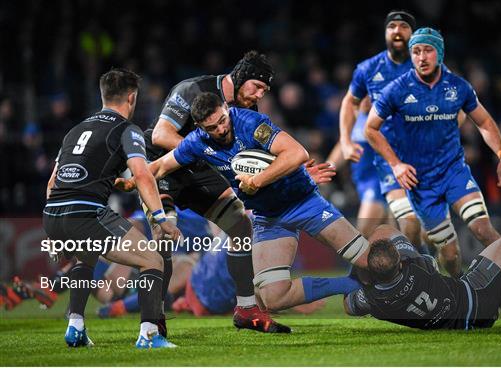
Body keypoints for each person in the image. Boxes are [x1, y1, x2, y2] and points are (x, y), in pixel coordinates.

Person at [117, 92, 370, 314]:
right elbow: (162, 165)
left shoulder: (250, 123)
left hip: (301, 201)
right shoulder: (198, 142)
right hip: (267, 217)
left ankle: (399, 277)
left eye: (222, 120)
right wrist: (134, 181)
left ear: (226, 110)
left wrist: (257, 180)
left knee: (366, 260)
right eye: (212, 127)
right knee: (273, 296)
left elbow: (298, 153)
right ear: (199, 127)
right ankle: (350, 285)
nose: (221, 129)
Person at [143, 50, 334, 334]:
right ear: (241, 78)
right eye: (257, 87)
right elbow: (161, 135)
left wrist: (298, 175)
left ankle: (245, 309)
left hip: (201, 172)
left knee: (241, 228)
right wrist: (207, 153)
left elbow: (257, 166)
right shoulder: (193, 89)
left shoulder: (245, 115)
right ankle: (153, 318)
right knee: (164, 233)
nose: (260, 95)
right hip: (164, 168)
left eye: (265, 90)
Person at [364, 27, 501, 299]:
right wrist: (396, 164)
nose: (421, 57)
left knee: (483, 228)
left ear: (440, 54)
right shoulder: (396, 90)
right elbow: (371, 129)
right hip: (421, 184)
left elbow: (485, 122)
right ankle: (460, 291)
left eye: (428, 50)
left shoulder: (458, 87)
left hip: (454, 172)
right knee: (451, 254)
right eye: (416, 51)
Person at [43, 68, 180, 348]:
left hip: (52, 213)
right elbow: (142, 175)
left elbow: (52, 182)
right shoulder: (127, 130)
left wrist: (56, 234)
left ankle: (76, 326)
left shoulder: (75, 130)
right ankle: (149, 334)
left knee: (86, 258)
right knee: (152, 259)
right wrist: (160, 217)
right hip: (85, 212)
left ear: (103, 95)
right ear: (131, 98)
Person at [344, 225, 501, 330]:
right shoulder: (416, 268)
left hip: (464, 324)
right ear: (400, 263)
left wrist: (362, 270)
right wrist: (361, 255)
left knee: (498, 284)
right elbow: (384, 230)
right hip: (473, 299)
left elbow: (349, 306)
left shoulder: (371, 300)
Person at [339, 10, 422, 243]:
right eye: (392, 26)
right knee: (386, 217)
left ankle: (415, 265)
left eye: (403, 26)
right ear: (385, 33)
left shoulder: (425, 68)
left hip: (418, 154)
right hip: (380, 154)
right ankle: (358, 273)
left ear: (413, 34)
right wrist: (345, 141)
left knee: (415, 228)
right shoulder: (368, 69)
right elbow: (349, 102)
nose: (397, 30)